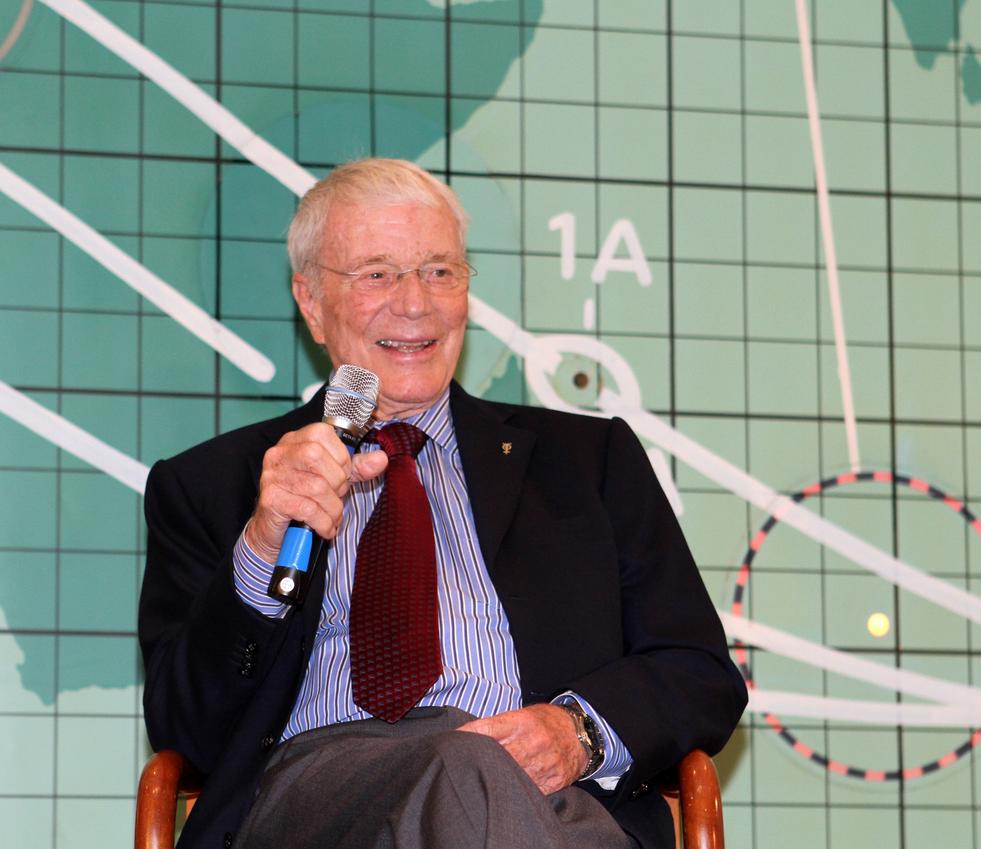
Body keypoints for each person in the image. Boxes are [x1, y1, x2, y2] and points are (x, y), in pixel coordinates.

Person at [138, 158, 746, 849]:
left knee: (484, 784)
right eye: (376, 274)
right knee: (466, 770)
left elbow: (697, 670)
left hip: (553, 807)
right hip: (323, 808)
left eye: (439, 271)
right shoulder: (217, 484)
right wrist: (262, 544)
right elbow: (187, 728)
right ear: (311, 302)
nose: (415, 304)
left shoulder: (588, 461)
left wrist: (576, 730)